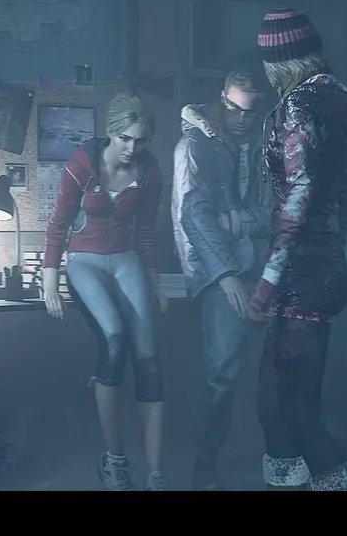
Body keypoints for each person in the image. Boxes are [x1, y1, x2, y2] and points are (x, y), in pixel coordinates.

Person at [247, 9, 347, 491]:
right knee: (274, 408)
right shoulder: (331, 104)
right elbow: (346, 194)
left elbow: (297, 197)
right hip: (319, 268)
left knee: (293, 412)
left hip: (303, 274)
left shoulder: (298, 106)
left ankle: (341, 482)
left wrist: (267, 281)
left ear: (277, 62)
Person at [41, 93, 170, 491]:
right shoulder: (82, 164)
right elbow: (58, 225)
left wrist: (153, 282)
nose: (132, 148)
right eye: (125, 139)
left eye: (141, 140)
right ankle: (115, 460)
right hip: (85, 260)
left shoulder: (150, 172)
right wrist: (49, 281)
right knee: (115, 343)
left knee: (148, 360)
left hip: (125, 257)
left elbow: (145, 231)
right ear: (111, 133)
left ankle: (155, 474)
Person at [171, 70, 272, 490]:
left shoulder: (267, 141)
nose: (243, 120)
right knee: (222, 372)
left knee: (272, 367)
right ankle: (205, 467)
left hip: (265, 264)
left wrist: (237, 221)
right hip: (219, 271)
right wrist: (226, 275)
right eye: (234, 110)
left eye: (251, 111)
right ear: (221, 100)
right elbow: (195, 216)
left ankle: (280, 457)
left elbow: (279, 212)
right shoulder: (195, 145)